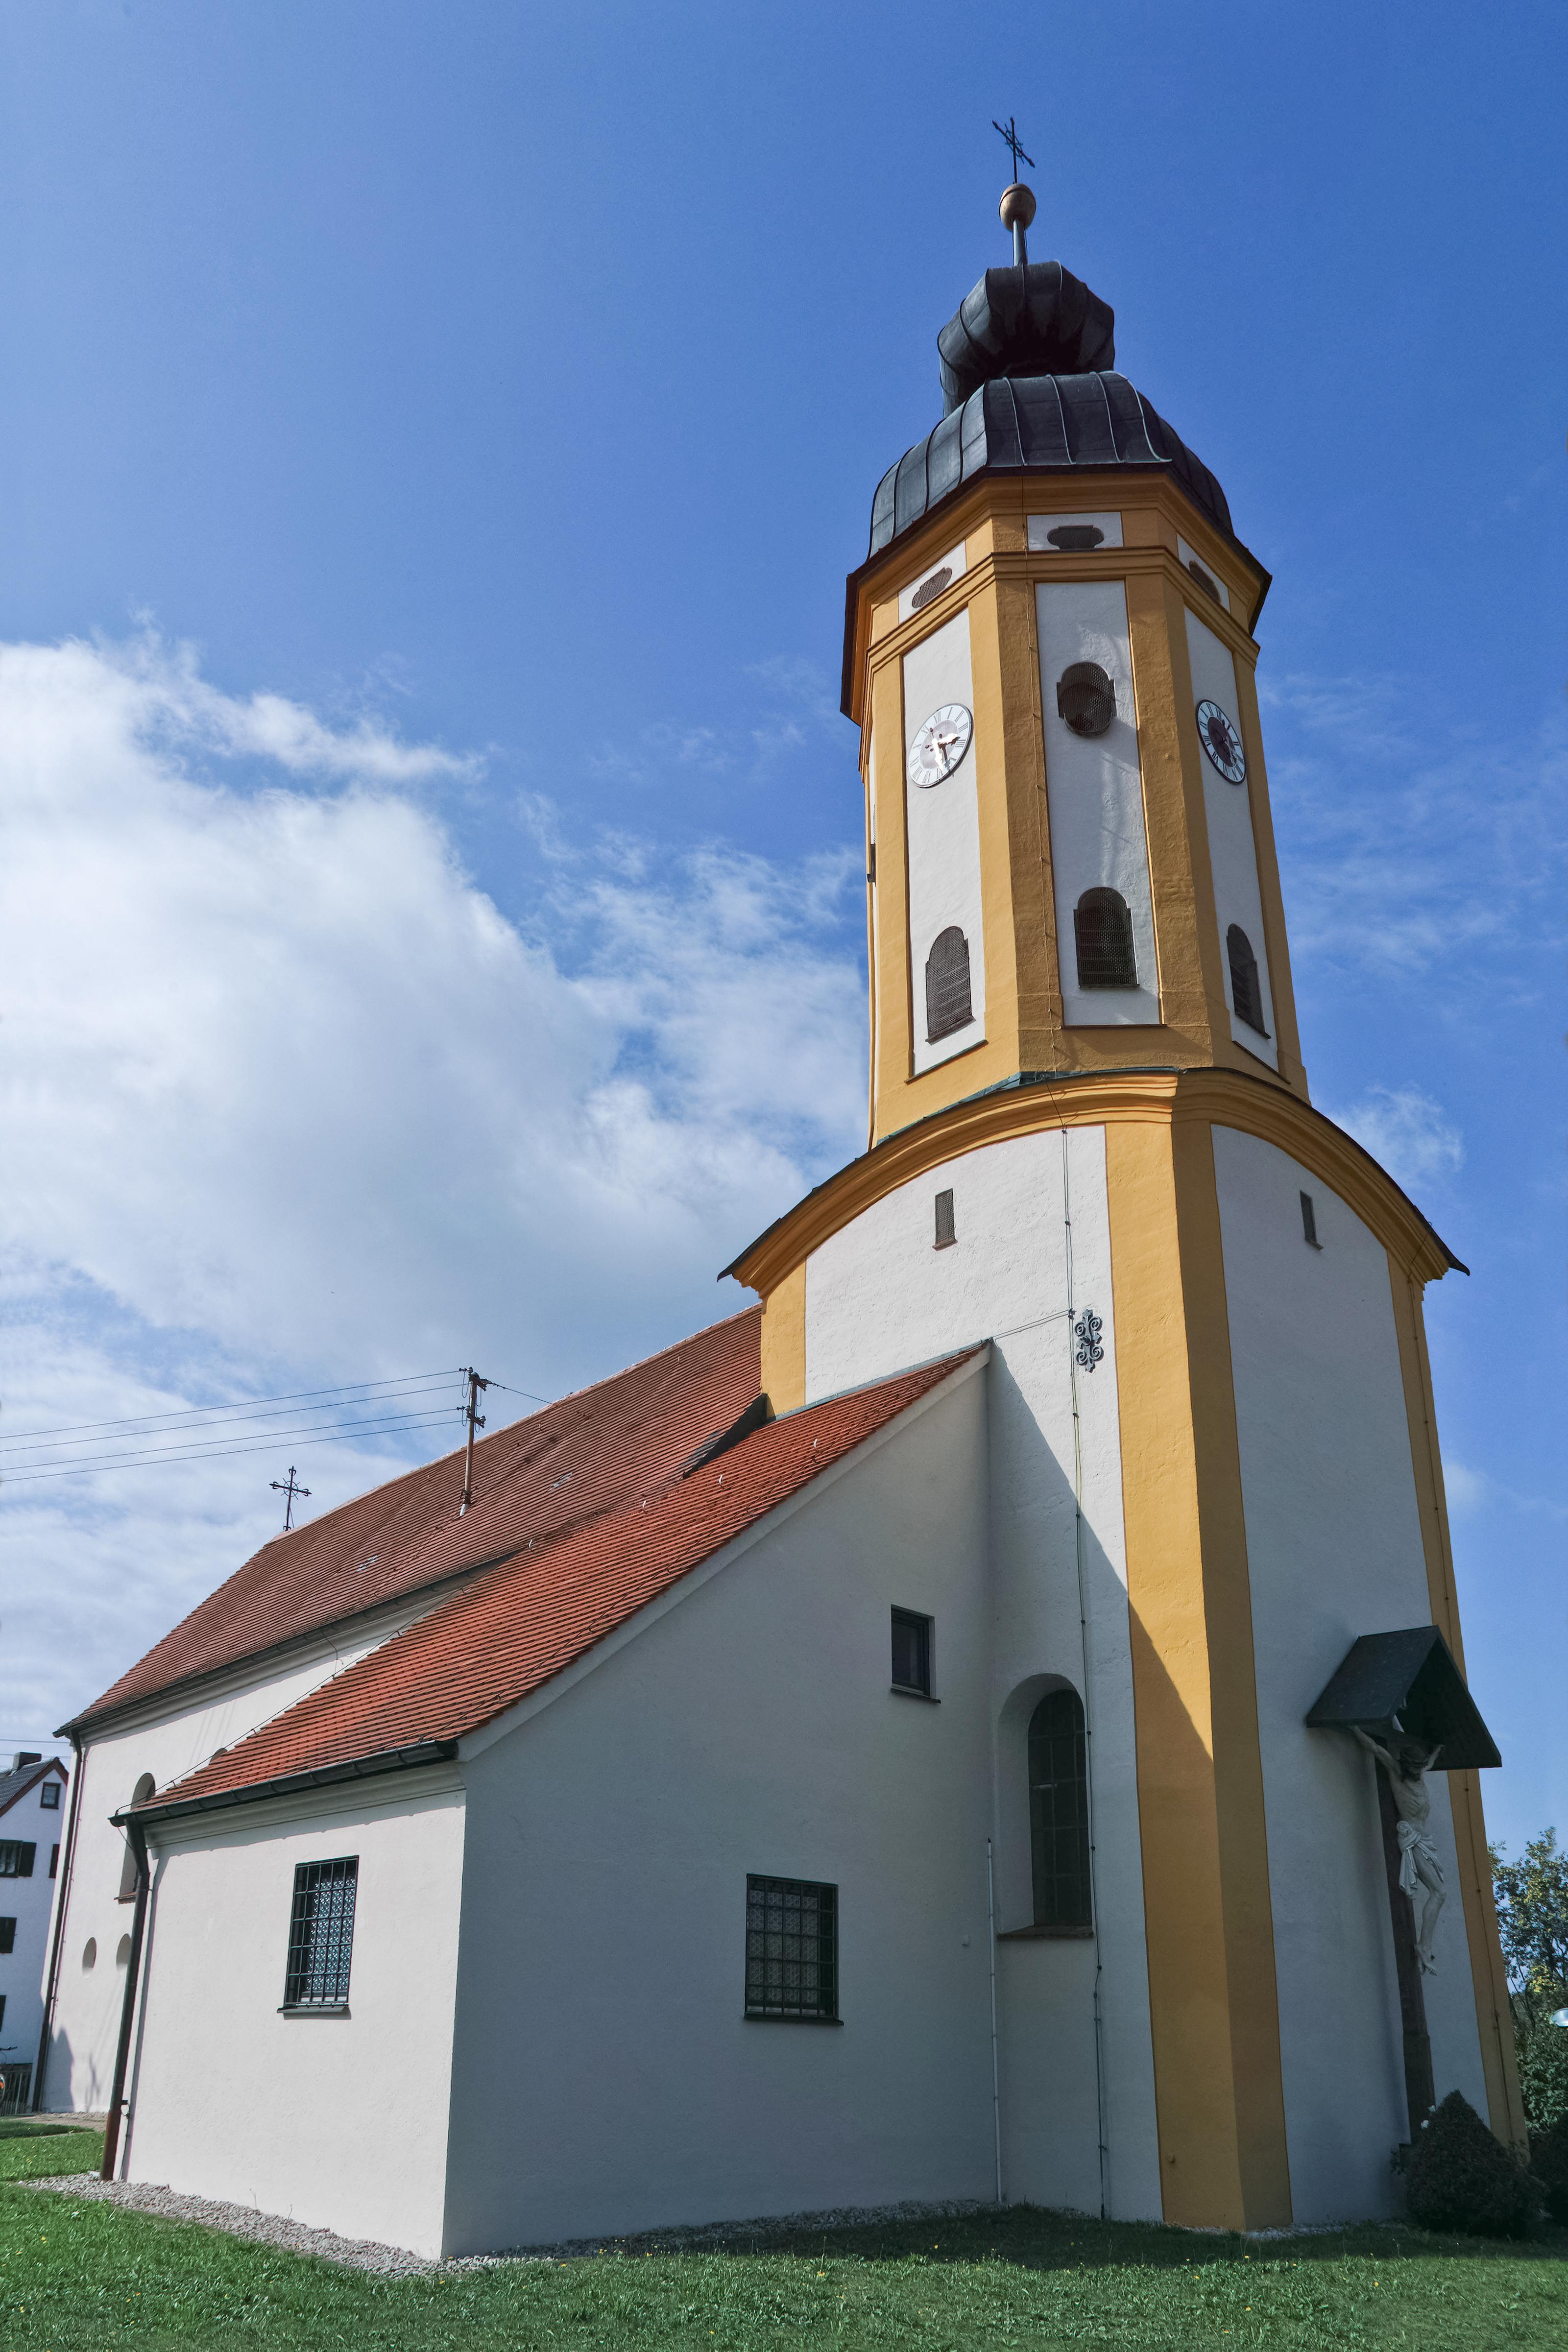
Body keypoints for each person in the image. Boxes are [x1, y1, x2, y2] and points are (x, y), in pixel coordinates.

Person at [1353, 1726, 1445, 1973]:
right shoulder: (1395, 1771)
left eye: (1420, 1767)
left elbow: (1430, 1762)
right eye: (1414, 1767)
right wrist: (1353, 1727)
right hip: (1412, 1839)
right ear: (1406, 1765)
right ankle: (1423, 1947)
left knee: (1440, 1893)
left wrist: (1437, 1749)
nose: (1418, 1771)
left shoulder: (1420, 1774)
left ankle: (1424, 1946)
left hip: (1424, 1841)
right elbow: (1375, 1748)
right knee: (1439, 1893)